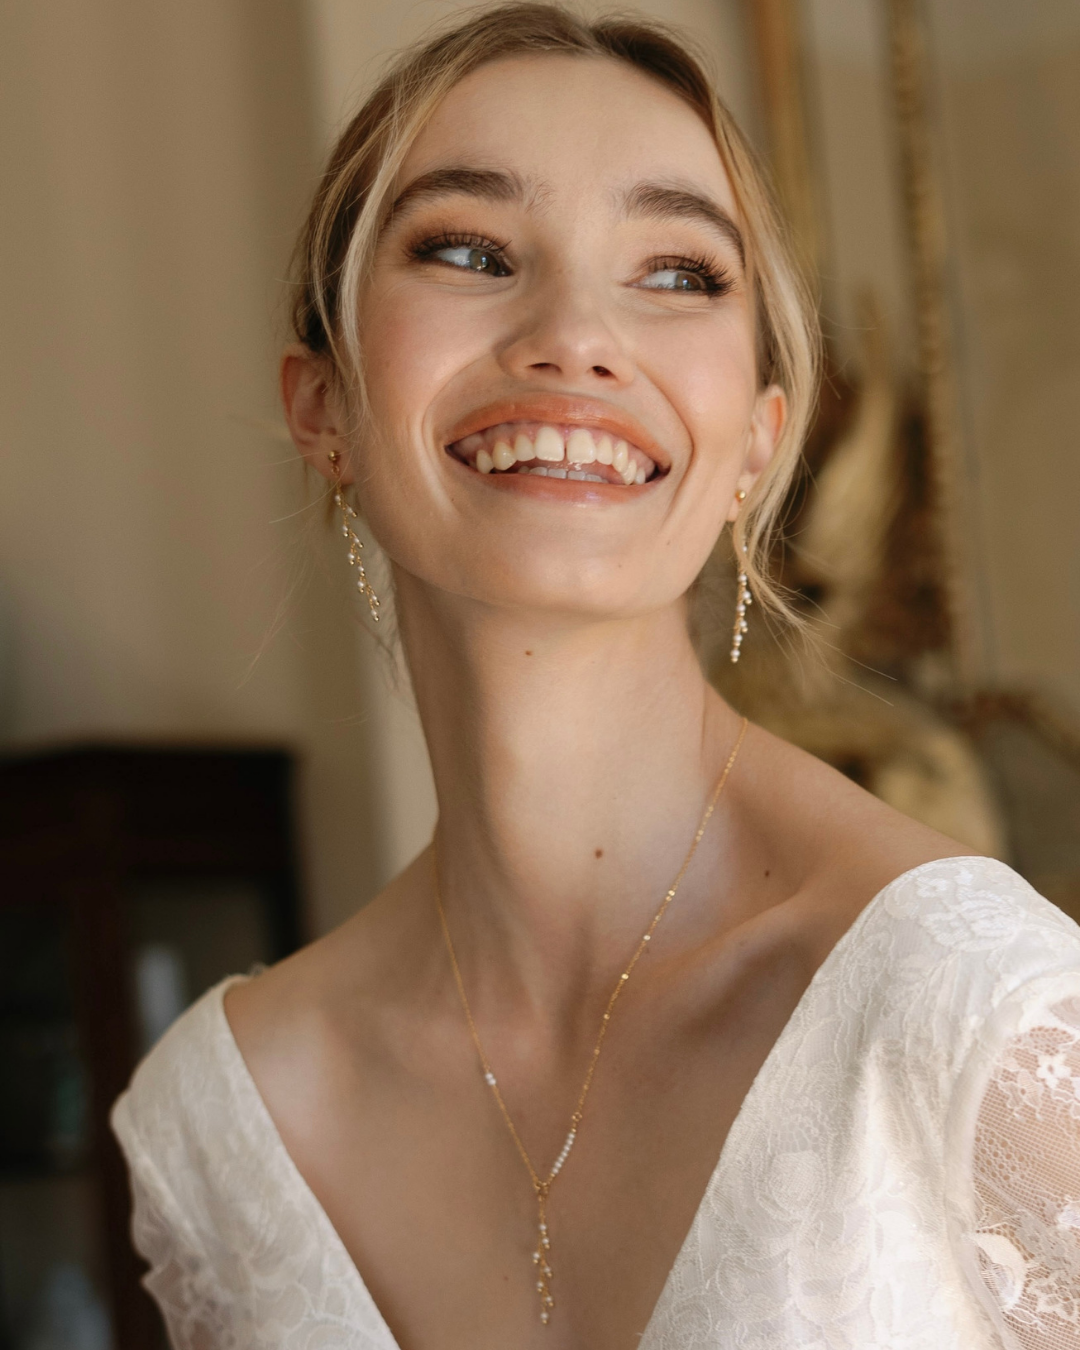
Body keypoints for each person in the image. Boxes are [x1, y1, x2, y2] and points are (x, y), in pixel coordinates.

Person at [111, 5, 1080, 1347]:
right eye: (468, 248)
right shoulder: (222, 1126)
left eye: (678, 271)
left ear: (757, 437)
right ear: (322, 407)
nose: (574, 332)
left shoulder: (981, 1018)